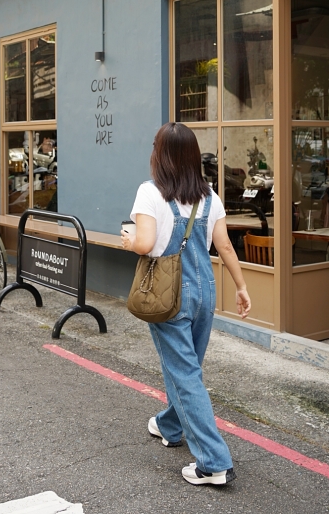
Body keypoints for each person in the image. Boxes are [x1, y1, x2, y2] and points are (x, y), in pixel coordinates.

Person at [120, 122, 252, 486]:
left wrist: (128, 239)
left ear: (159, 154)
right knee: (187, 368)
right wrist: (241, 287)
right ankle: (169, 425)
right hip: (203, 292)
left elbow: (146, 244)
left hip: (168, 293)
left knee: (185, 374)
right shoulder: (209, 195)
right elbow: (224, 246)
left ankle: (214, 462)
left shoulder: (150, 193)